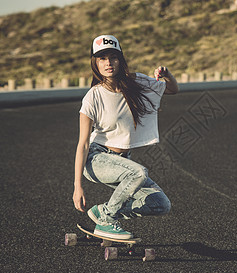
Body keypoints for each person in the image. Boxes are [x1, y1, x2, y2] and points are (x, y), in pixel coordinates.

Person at [72, 35, 179, 240]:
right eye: (102, 59)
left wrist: (167, 74)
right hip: (97, 159)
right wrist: (78, 186)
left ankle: (102, 212)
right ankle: (108, 220)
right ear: (95, 63)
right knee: (139, 173)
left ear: (120, 60)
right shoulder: (93, 97)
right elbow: (83, 144)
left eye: (113, 57)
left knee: (160, 204)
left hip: (123, 163)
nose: (108, 63)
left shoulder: (136, 82)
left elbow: (174, 89)